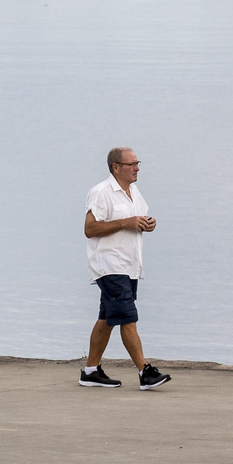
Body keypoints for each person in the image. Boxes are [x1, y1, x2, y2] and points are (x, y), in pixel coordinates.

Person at [79, 147, 172, 390]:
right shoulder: (101, 192)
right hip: (110, 265)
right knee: (128, 317)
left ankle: (90, 371)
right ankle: (145, 372)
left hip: (130, 265)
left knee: (107, 318)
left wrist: (147, 224)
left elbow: (138, 220)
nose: (137, 167)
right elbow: (90, 229)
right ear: (116, 167)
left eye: (137, 163)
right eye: (131, 164)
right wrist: (126, 222)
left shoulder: (135, 192)